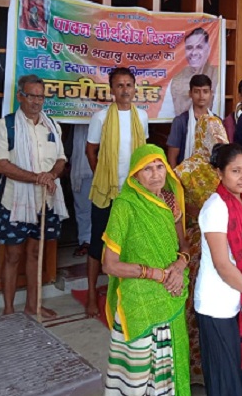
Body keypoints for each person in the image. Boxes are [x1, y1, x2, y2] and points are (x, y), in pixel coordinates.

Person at [102, 144, 190, 395]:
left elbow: (183, 242)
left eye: (160, 166)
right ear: (135, 175)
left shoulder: (170, 200)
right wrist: (158, 274)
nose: (155, 174)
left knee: (169, 367)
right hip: (139, 298)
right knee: (136, 377)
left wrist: (179, 265)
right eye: (147, 169)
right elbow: (109, 264)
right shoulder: (125, 205)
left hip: (171, 290)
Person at [0, 74, 68, 318]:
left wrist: (51, 175)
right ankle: (9, 311)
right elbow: (1, 165)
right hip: (15, 202)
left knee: (36, 253)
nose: (36, 101)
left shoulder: (52, 125)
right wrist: (37, 177)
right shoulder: (6, 126)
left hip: (46, 201)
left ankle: (32, 305)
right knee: (13, 256)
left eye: (41, 96)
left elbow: (61, 160)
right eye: (31, 95)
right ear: (20, 96)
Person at [195, 143, 242, 395]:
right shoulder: (215, 207)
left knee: (238, 372)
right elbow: (222, 264)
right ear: (219, 173)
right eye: (235, 171)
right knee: (223, 378)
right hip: (217, 304)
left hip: (241, 299)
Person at [85, 67, 150, 317]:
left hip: (133, 192)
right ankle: (92, 295)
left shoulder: (141, 117)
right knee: (97, 244)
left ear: (135, 89)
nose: (124, 90)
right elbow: (91, 151)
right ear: (112, 90)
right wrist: (101, 176)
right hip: (106, 192)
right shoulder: (100, 118)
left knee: (130, 245)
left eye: (128, 85)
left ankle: (127, 297)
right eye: (119, 85)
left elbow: (143, 154)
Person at [174, 115, 228, 385]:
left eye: (221, 136)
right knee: (197, 305)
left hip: (227, 243)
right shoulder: (185, 171)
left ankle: (219, 366)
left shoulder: (227, 167)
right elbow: (175, 209)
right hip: (197, 245)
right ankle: (193, 370)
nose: (218, 141)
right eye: (213, 136)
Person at [162, 27, 219, 118]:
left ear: (208, 49)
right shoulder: (176, 79)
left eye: (199, 47)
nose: (193, 52)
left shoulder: (218, 77)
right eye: (189, 48)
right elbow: (166, 112)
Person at [166, 74, 214, 168]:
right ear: (190, 94)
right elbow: (172, 157)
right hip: (185, 177)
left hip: (212, 177)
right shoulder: (180, 122)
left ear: (210, 94)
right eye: (197, 92)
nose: (201, 96)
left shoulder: (216, 121)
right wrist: (176, 180)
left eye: (205, 91)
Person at [69, 124, 93, 257]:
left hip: (107, 166)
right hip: (81, 166)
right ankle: (86, 241)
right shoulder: (77, 114)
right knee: (83, 207)